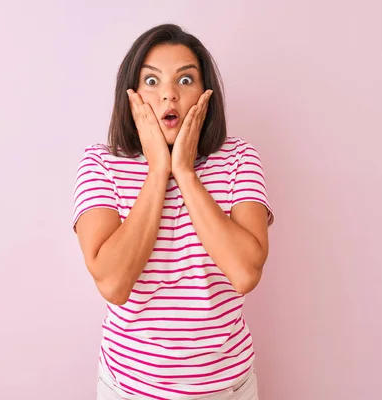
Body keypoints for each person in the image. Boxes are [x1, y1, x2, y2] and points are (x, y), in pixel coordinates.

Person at [72, 23, 274, 400]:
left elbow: (245, 272)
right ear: (130, 95)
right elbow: (114, 284)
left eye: (185, 80)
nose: (169, 95)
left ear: (205, 92)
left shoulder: (240, 159)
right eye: (152, 81)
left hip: (228, 388)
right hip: (129, 389)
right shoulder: (100, 164)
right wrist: (158, 171)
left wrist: (184, 171)